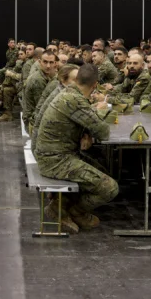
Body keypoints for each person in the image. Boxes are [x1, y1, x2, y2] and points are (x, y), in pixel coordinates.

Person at [34, 64, 118, 233]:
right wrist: (99, 114)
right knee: (110, 188)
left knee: (103, 170)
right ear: (95, 85)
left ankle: (61, 205)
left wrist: (87, 129)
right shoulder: (74, 99)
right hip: (55, 161)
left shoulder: (69, 93)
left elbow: (84, 118)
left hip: (55, 154)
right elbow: (103, 132)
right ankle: (74, 211)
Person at [31, 64, 79, 150]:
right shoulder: (62, 96)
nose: (80, 83)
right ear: (63, 80)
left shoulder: (63, 90)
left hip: (44, 140)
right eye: (76, 80)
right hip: (45, 147)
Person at [22, 50, 57, 133]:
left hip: (36, 118)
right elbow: (42, 107)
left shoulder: (45, 75)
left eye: (51, 62)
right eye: (45, 62)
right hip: (33, 122)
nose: (48, 66)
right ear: (39, 62)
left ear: (55, 64)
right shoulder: (38, 80)